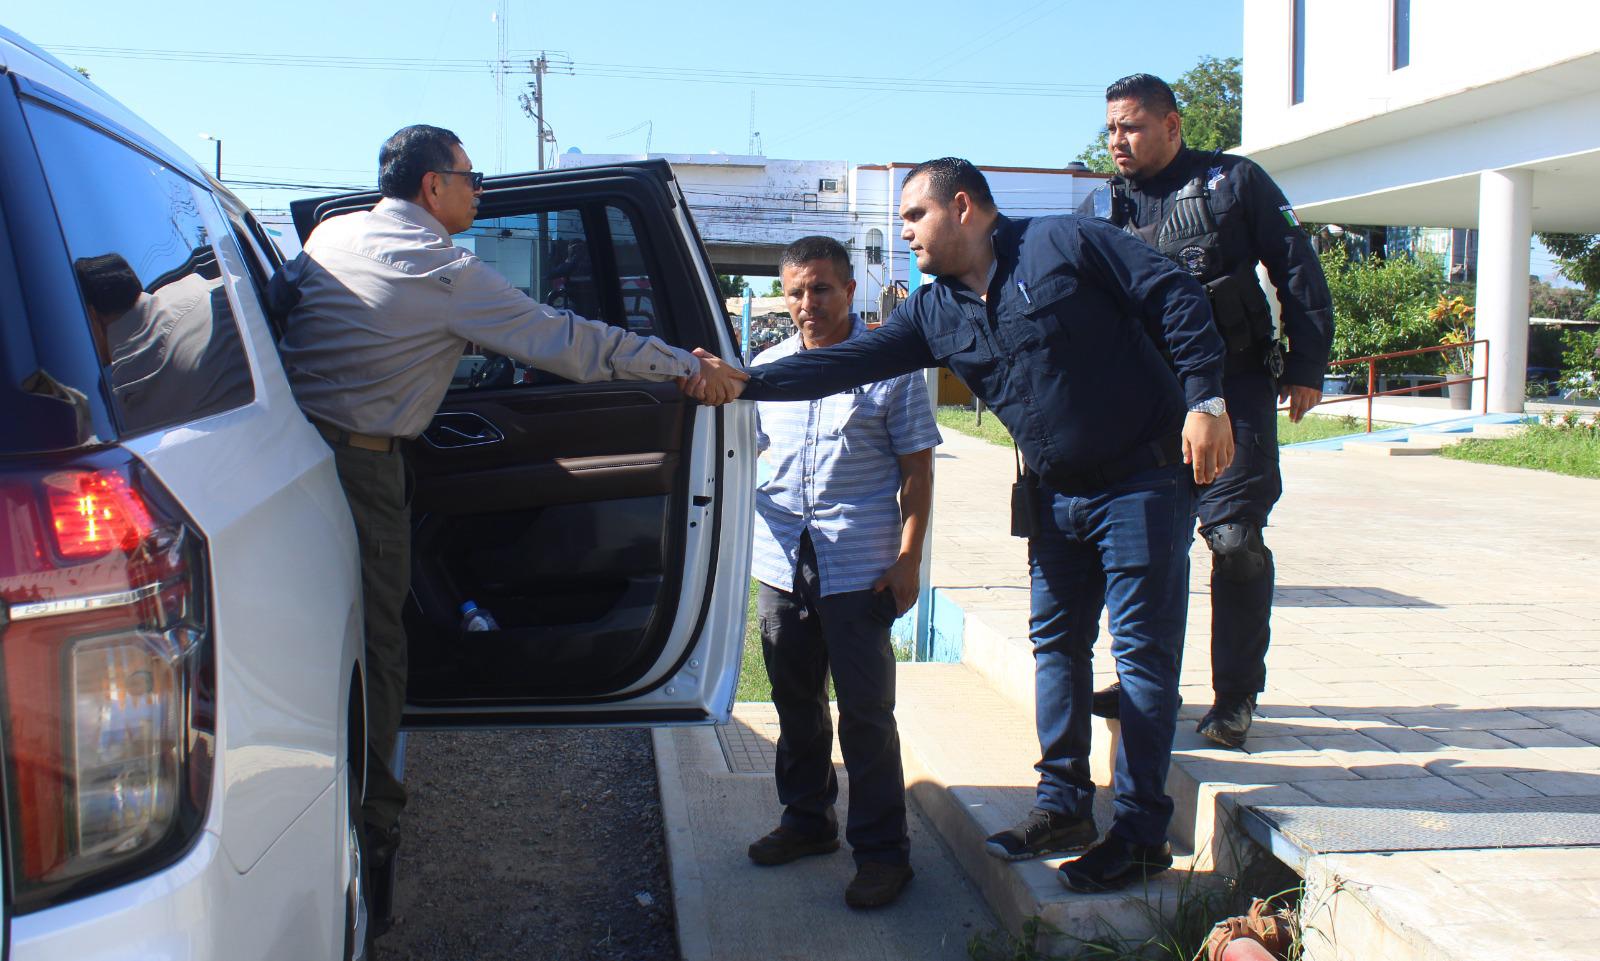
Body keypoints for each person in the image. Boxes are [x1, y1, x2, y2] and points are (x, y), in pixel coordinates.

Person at [687, 158, 1231, 893]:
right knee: (1057, 648)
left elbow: (1175, 293)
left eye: (914, 216)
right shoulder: (934, 310)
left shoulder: (1067, 243)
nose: (904, 230)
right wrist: (746, 380)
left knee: (1139, 657)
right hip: (1054, 494)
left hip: (1142, 480)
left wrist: (1207, 400)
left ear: (963, 207)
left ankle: (1138, 833)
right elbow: (842, 364)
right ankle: (1064, 805)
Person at [268, 124, 745, 876]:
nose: (480, 190)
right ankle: (373, 821)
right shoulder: (443, 271)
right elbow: (567, 341)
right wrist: (684, 366)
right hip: (361, 471)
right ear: (433, 187)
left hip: (291, 454)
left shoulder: (332, 235)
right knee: (378, 641)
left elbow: (282, 310)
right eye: (471, 176)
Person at [1079, 74, 1334, 749]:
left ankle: (1235, 696)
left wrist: (1307, 367)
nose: (1117, 141)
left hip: (1236, 385)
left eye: (1130, 127)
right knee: (1141, 539)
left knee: (1233, 538)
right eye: (1111, 129)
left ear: (1172, 125)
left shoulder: (1234, 184)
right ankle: (1140, 680)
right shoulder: (1106, 205)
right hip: (1146, 396)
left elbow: (1297, 270)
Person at [744, 236, 941, 909]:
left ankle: (884, 853)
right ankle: (807, 820)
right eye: (796, 291)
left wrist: (910, 556)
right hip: (780, 564)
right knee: (795, 703)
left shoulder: (891, 368)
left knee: (865, 714)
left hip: (860, 569)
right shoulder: (767, 368)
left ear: (850, 290)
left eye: (821, 289)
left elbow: (917, 467)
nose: (808, 304)